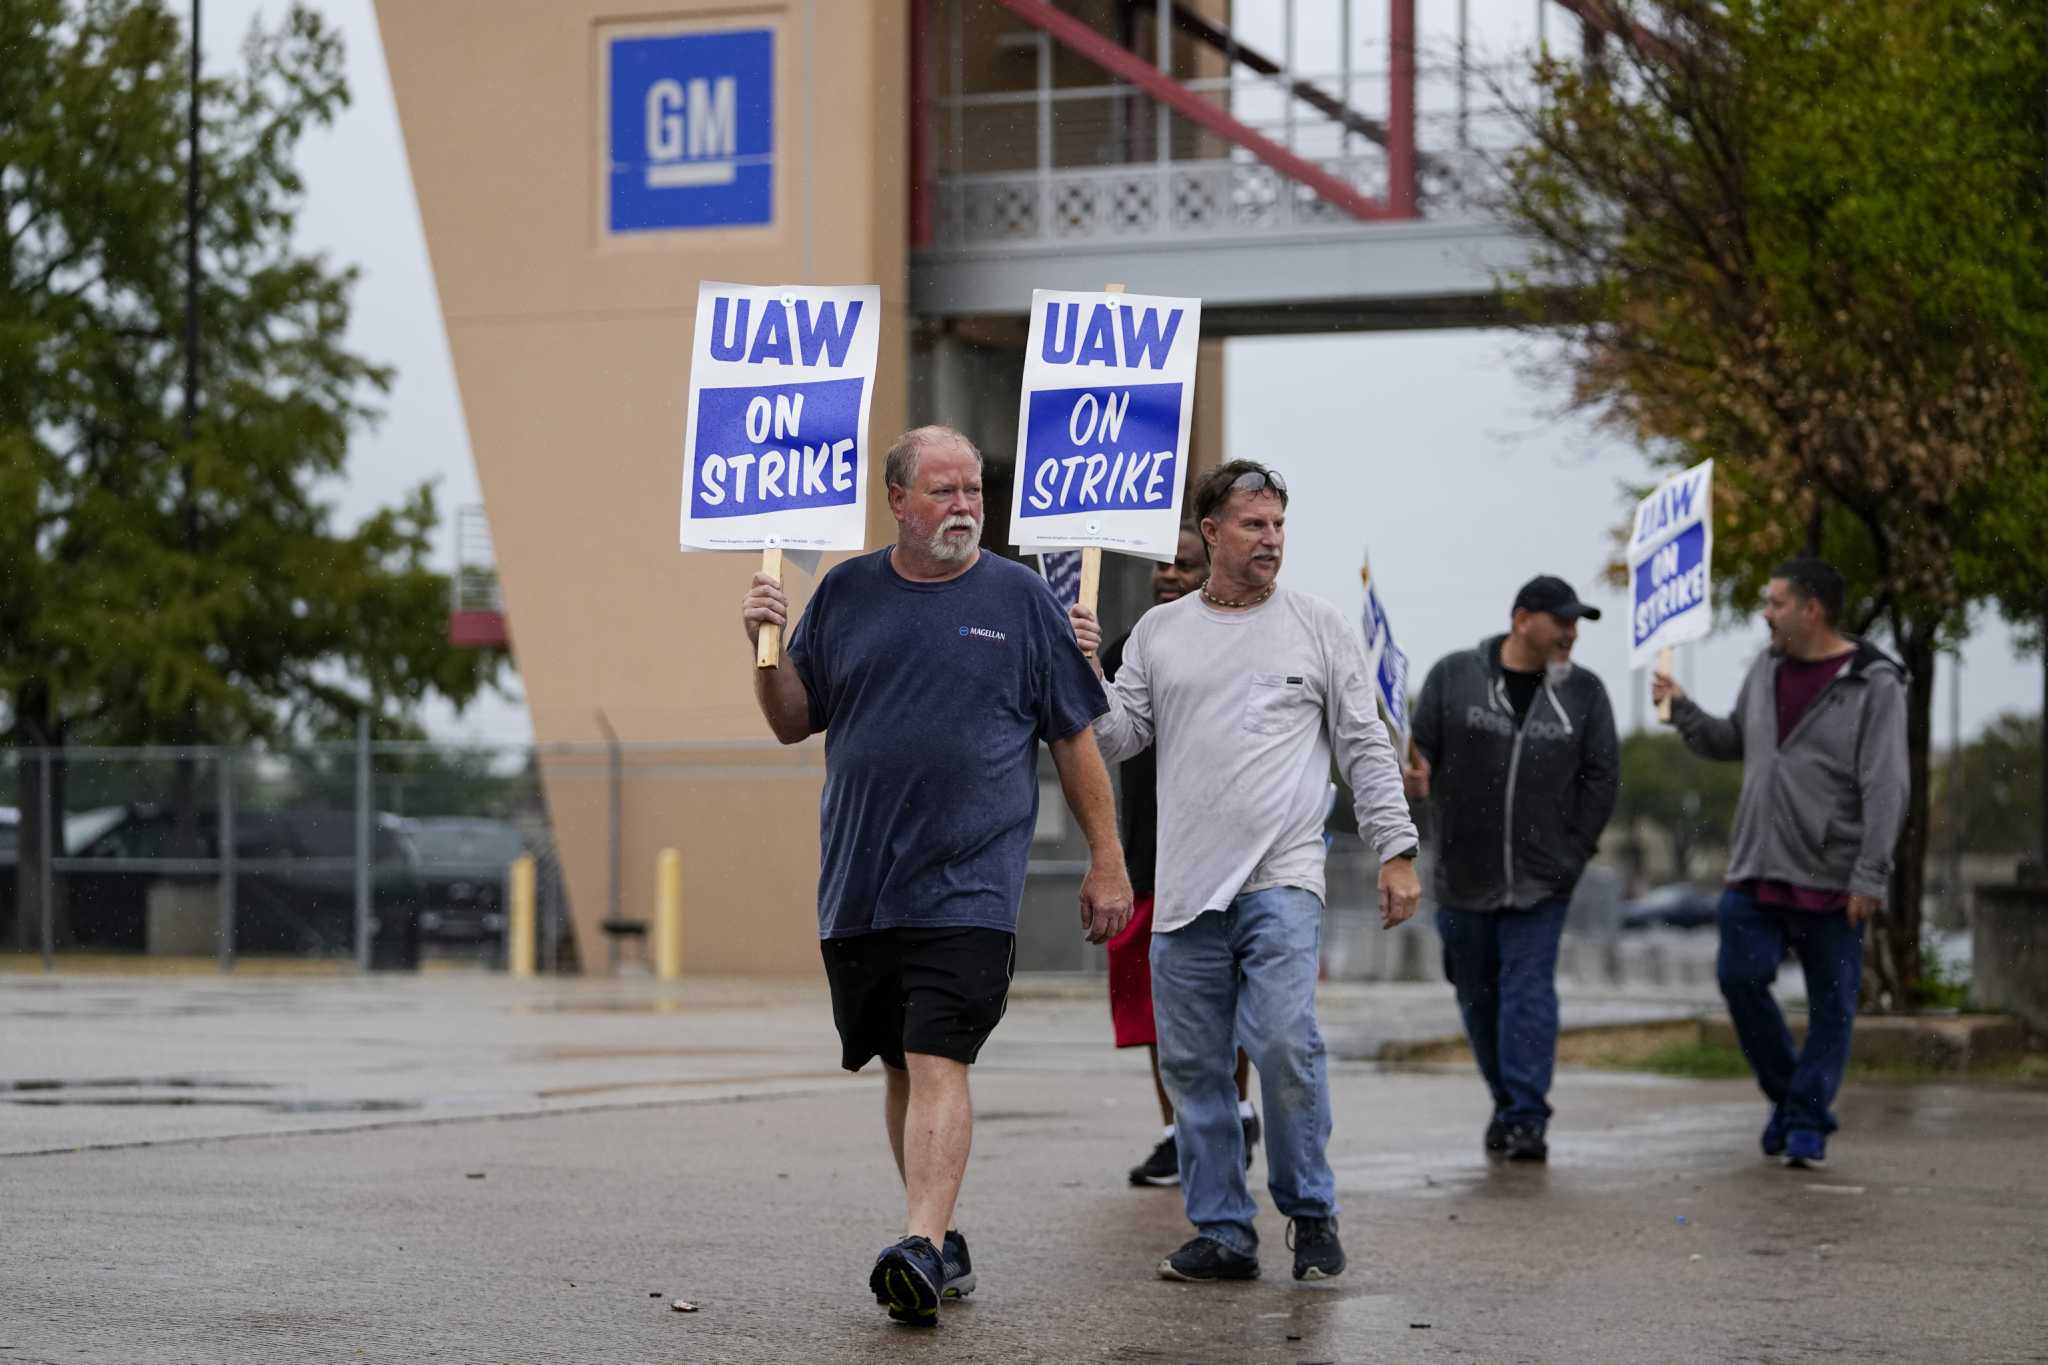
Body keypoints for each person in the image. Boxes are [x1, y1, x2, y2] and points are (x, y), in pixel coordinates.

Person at [741, 425, 1134, 1328]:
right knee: (896, 1060)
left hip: (970, 887)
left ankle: (918, 1240)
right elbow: (790, 721)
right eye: (946, 492)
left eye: (976, 492)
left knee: (937, 1053)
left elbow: (1074, 739)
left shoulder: (1022, 598)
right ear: (898, 501)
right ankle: (941, 1237)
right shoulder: (843, 593)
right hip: (861, 881)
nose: (966, 508)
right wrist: (763, 646)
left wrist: (1106, 860)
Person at [1069, 460, 1421, 1285]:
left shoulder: (1318, 624)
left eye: (1279, 525)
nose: (1271, 540)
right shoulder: (1160, 632)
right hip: (1187, 886)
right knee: (1192, 1068)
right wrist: (1084, 668)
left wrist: (1396, 849)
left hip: (1282, 874)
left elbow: (1365, 743)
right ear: (1211, 532)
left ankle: (1310, 1207)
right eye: (1254, 525)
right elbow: (1119, 738)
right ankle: (1224, 1229)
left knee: (1281, 1039)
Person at [1654, 557, 1907, 1169]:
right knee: (1739, 980)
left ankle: (1802, 1125)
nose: (1765, 614)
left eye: (1775, 603)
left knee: (1831, 1006)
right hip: (1756, 863)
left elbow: (1886, 784)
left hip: (1833, 875)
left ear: (1811, 609)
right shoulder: (1765, 668)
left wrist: (1871, 874)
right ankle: (1797, 1100)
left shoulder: (1875, 681)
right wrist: (1683, 709)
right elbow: (1736, 740)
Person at [1404, 576, 1620, 1163]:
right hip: (1463, 878)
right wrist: (1413, 779)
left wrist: (1574, 853)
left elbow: (1602, 780)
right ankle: (1507, 1100)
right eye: (1563, 621)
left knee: (1528, 992)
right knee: (1476, 996)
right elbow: (1417, 754)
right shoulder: (1455, 676)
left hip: (1543, 882)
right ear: (1523, 619)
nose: (1572, 634)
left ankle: (1527, 1117)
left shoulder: (1586, 694)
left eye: (1577, 624)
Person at [1101, 522, 1260, 1188]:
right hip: (1148, 858)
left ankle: (1237, 1109)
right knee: (1156, 1012)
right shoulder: (1127, 650)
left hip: (1224, 860)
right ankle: (1177, 1129)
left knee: (1229, 1007)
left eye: (1185, 566)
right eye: (1162, 565)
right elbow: (1091, 725)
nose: (1168, 574)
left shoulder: (1239, 651)